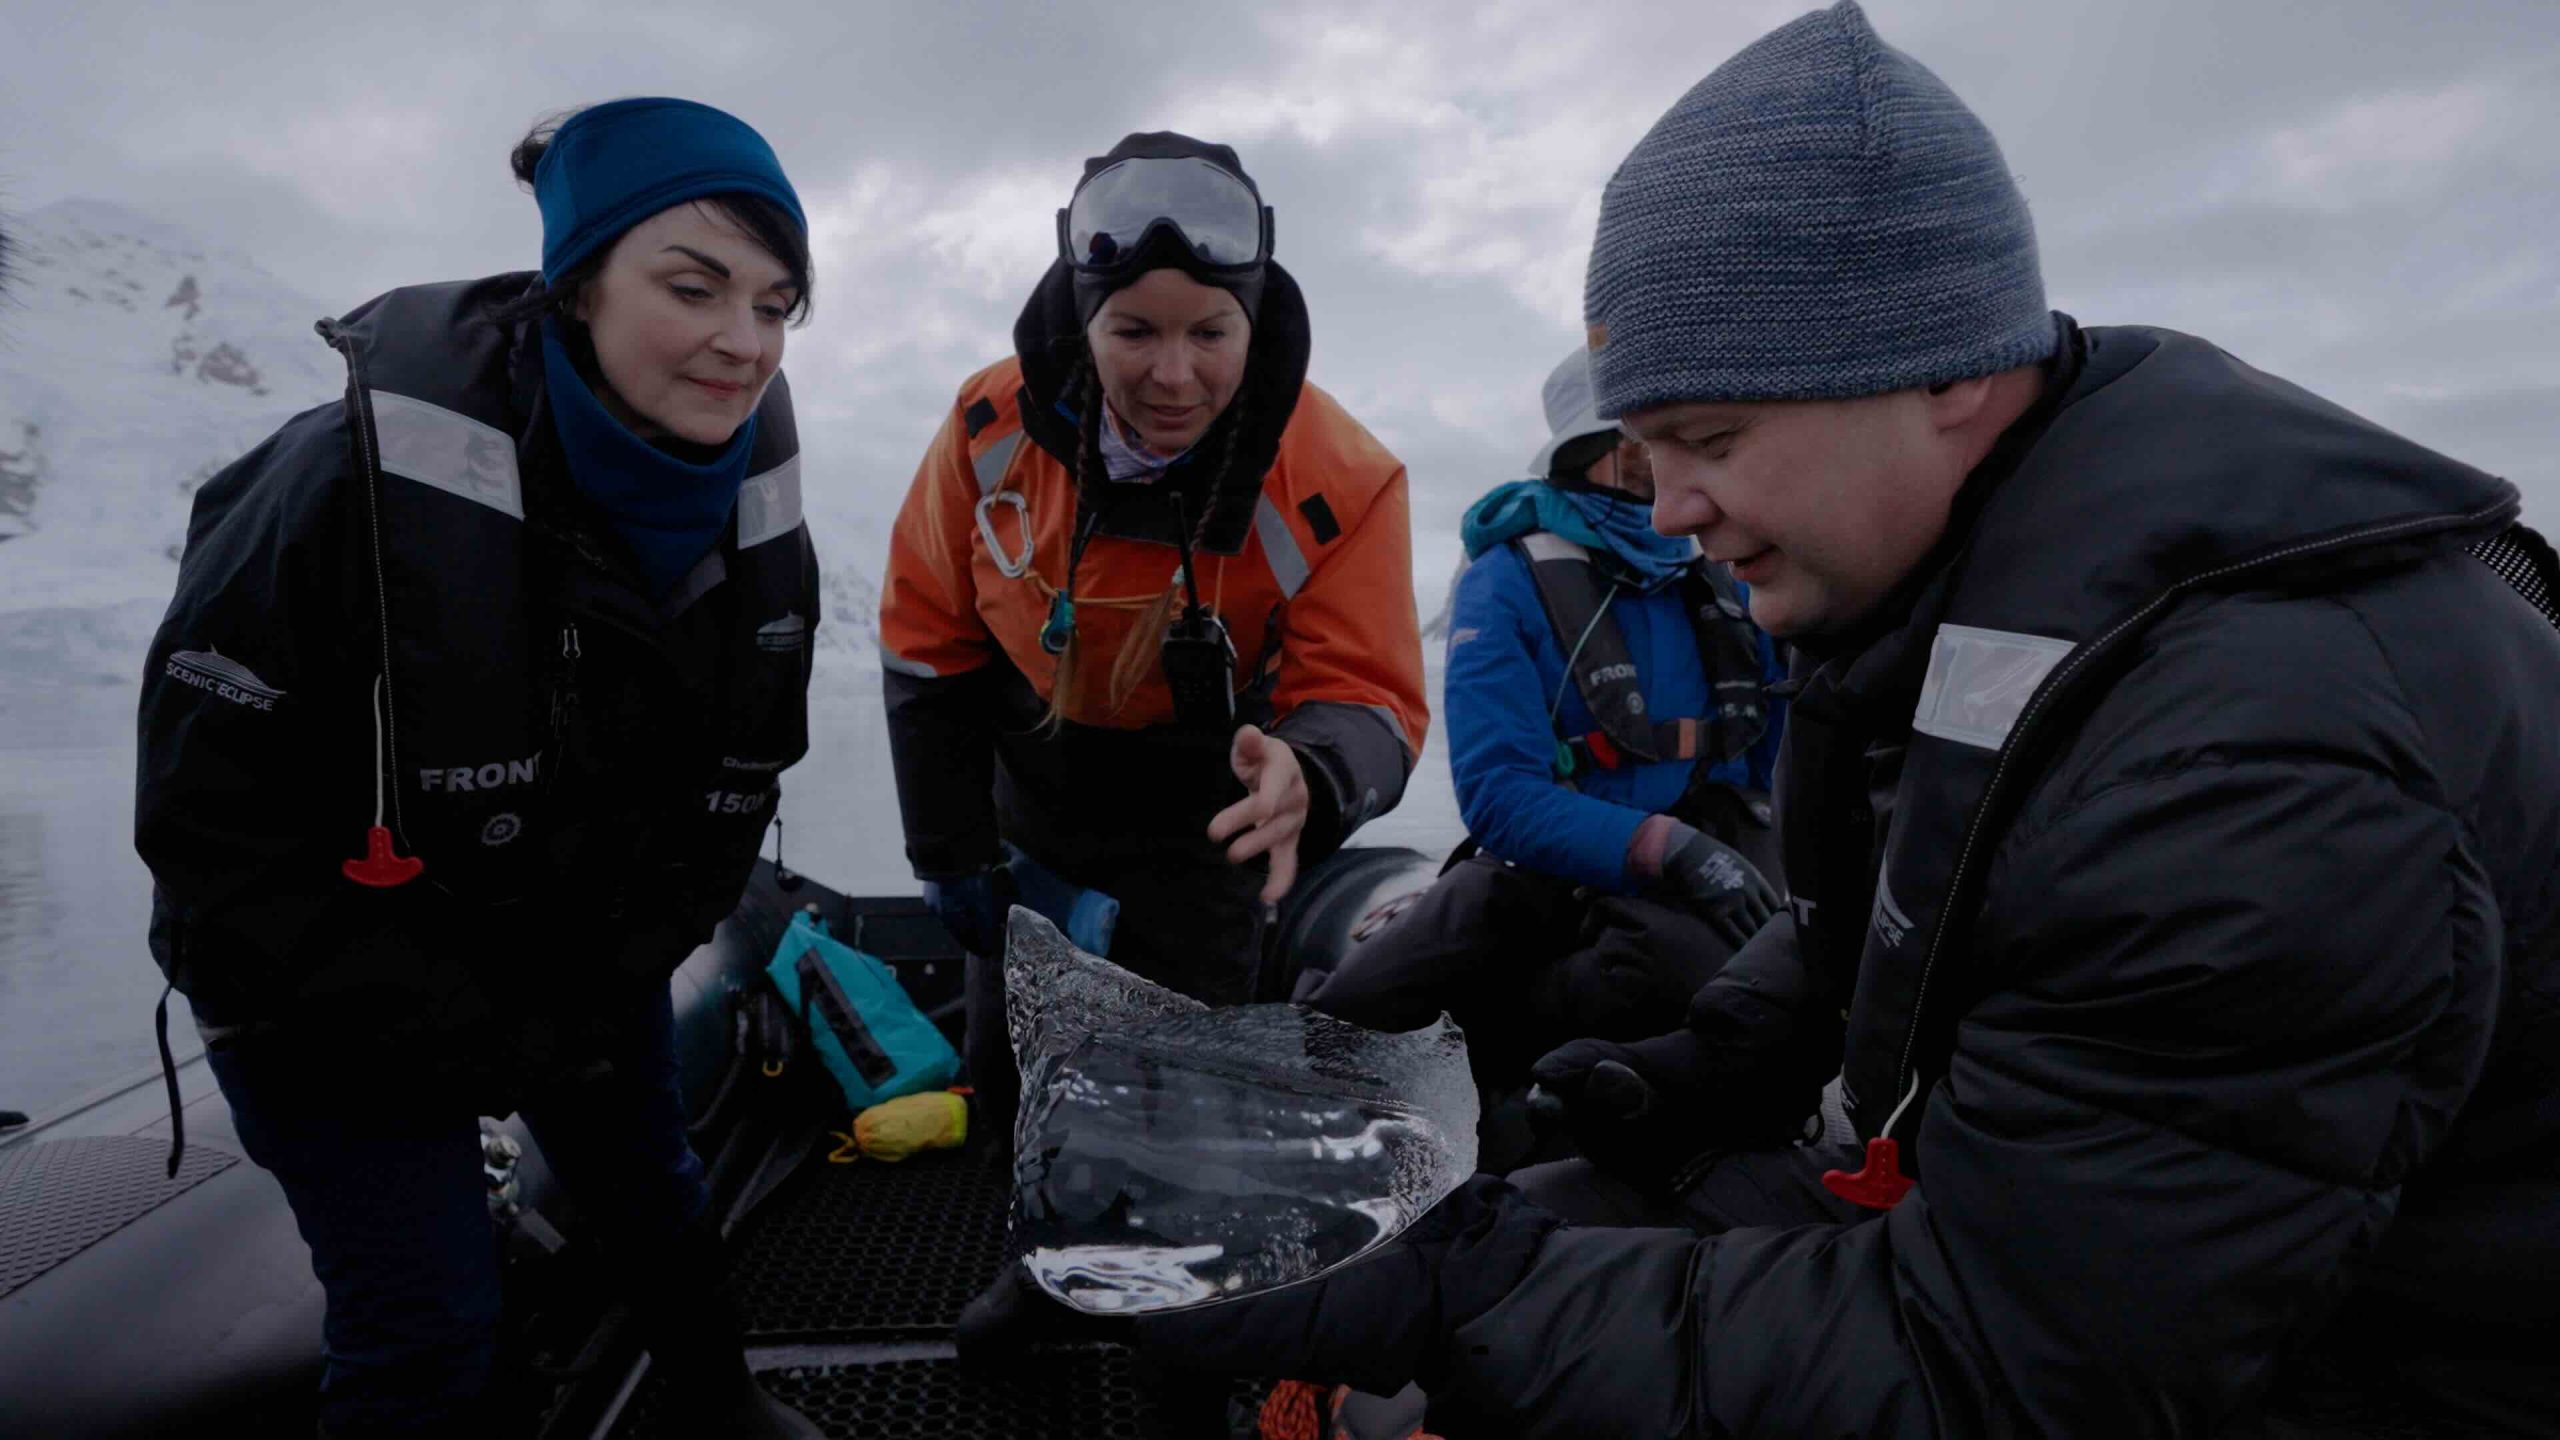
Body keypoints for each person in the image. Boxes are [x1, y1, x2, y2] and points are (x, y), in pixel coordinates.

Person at [1123, 5, 2560, 1434]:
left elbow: (2012, 1371)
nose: (1669, 511)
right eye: (1646, 449)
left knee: (1447, 1370)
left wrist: (1456, 1293)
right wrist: (1706, 1063)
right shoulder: (1977, 596)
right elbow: (1905, 901)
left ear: (1945, 372)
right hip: (2067, 1238)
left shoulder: (2245, 755)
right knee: (1548, 1218)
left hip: (2342, 1368)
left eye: (1712, 440)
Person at [134, 98, 825, 1438]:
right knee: (427, 1324)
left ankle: (716, 1406)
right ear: (579, 285)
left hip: (571, 955)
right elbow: (209, 829)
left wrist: (606, 970)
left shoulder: (754, 526)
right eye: (693, 289)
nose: (744, 341)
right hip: (318, 986)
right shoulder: (338, 487)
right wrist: (463, 1023)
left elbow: (726, 804)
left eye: (775, 304)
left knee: (655, 1194)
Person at [878, 133, 1429, 1127]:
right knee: (1011, 1083)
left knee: (1179, 1118)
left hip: (1208, 823)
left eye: (1210, 334)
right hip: (1028, 810)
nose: (1174, 376)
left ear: (1251, 320)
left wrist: (1313, 774)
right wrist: (947, 847)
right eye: (1133, 331)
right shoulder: (988, 426)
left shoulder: (1343, 477)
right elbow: (926, 643)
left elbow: (1370, 695)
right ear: (1083, 319)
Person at [1293, 345, 1788, 1135]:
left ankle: (1566, 1105)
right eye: (1635, 449)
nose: (1659, 472)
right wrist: (1665, 848)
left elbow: (1773, 758)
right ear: (1578, 456)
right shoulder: (1507, 577)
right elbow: (1498, 796)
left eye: (1679, 445)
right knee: (1344, 1023)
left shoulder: (1729, 576)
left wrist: (1739, 860)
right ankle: (1458, 1089)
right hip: (1543, 869)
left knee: (1693, 973)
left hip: (1681, 871)